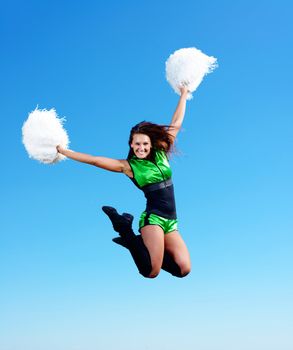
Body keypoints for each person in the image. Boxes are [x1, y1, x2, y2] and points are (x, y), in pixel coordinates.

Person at [57, 86, 191, 278]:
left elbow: (176, 123)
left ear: (150, 143)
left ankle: (133, 243)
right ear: (131, 145)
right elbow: (95, 160)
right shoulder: (128, 166)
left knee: (183, 269)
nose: (141, 147)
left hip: (171, 221)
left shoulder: (161, 152)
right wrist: (65, 151)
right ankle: (124, 228)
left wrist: (184, 94)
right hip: (154, 219)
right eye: (137, 144)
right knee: (150, 271)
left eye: (145, 143)